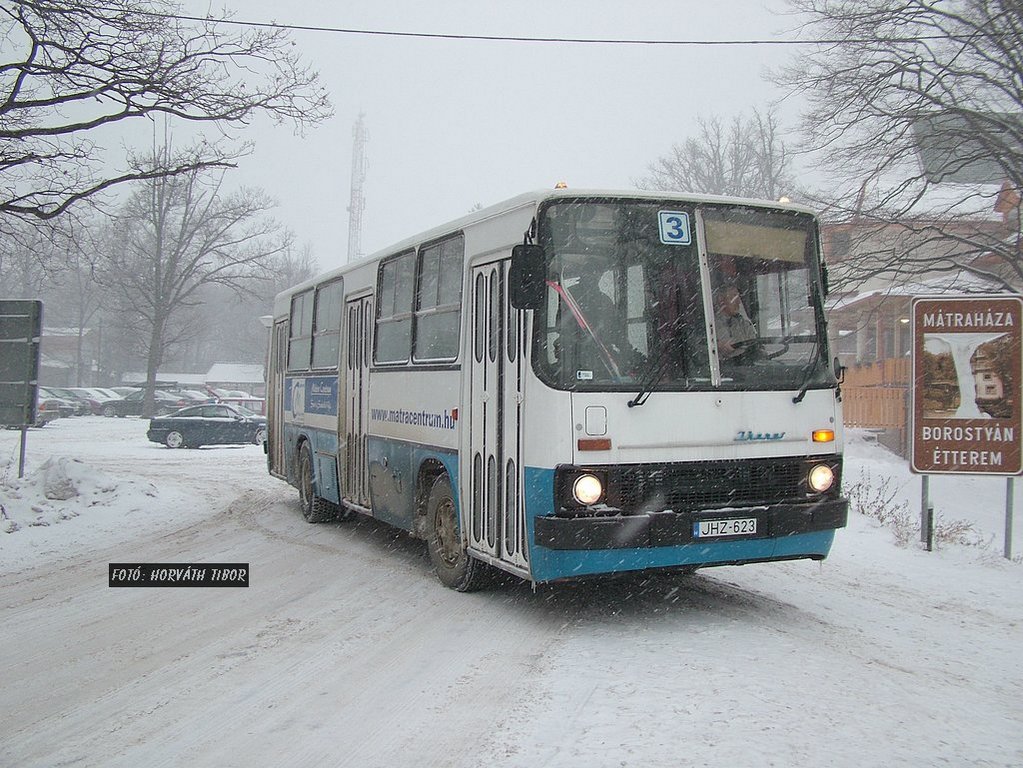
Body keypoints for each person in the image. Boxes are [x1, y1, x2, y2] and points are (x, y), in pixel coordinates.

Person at [714, 284, 757, 360]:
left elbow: (755, 345)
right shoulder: (709, 326)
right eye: (733, 297)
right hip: (722, 368)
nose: (738, 302)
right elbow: (698, 346)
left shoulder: (743, 324)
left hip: (745, 366)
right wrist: (716, 346)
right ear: (721, 300)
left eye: (738, 298)